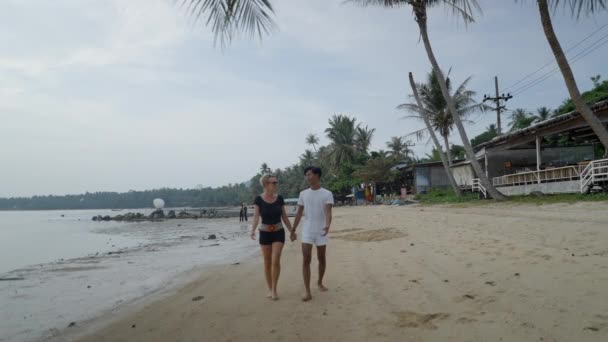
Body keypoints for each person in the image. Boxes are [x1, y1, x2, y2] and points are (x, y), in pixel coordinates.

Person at [250, 174, 296, 300]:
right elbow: (256, 217)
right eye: (273, 182)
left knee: (276, 260)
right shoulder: (258, 199)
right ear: (266, 184)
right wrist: (253, 230)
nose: (276, 184)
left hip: (278, 232)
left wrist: (291, 230)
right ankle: (269, 289)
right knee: (267, 261)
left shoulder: (280, 198)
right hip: (264, 233)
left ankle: (275, 289)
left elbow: (284, 217)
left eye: (276, 182)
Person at [293, 166, 334, 302]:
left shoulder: (327, 193)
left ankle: (320, 282)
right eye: (306, 175)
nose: (307, 177)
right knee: (306, 259)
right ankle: (307, 291)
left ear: (317, 175)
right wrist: (293, 229)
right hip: (307, 231)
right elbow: (299, 213)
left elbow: (328, 211)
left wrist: (328, 225)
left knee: (321, 258)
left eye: (309, 174)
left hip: (321, 230)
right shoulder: (303, 194)